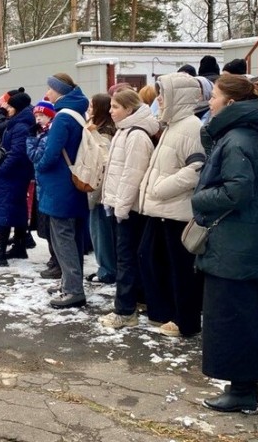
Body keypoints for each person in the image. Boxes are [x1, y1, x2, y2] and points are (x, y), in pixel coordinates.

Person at [191, 74, 258, 414]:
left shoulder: (238, 139)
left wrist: (200, 197)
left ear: (229, 103)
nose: (210, 102)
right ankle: (243, 385)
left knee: (232, 316)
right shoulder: (239, 136)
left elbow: (237, 190)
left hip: (235, 241)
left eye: (215, 97)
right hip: (238, 238)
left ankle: (243, 389)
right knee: (236, 313)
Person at [138, 73, 205, 337]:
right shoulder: (173, 125)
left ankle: (184, 320)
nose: (160, 100)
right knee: (153, 260)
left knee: (180, 270)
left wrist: (160, 188)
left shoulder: (191, 127)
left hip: (177, 210)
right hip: (161, 209)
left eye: (164, 94)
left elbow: (197, 167)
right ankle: (166, 311)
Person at [98, 88, 159, 329]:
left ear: (129, 110)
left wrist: (121, 208)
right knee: (127, 257)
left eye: (116, 107)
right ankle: (135, 300)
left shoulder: (136, 136)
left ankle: (125, 310)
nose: (111, 111)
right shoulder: (124, 132)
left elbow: (132, 176)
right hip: (119, 204)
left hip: (128, 208)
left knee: (126, 259)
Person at [34, 74, 91, 308]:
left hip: (59, 187)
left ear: (60, 91)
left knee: (62, 238)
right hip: (74, 183)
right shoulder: (79, 113)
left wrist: (39, 164)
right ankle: (70, 282)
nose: (47, 94)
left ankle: (72, 289)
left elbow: (51, 153)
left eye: (50, 89)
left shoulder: (62, 118)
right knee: (74, 237)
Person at [0, 91, 35, 266]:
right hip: (16, 174)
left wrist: (2, 169)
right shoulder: (18, 123)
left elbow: (18, 152)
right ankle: (19, 245)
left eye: (10, 106)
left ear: (17, 107)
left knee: (5, 210)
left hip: (12, 174)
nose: (7, 108)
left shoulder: (20, 126)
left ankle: (0, 251)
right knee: (16, 209)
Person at [26, 100, 60, 278]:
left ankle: (56, 260)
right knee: (45, 226)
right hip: (42, 185)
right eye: (37, 116)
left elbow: (35, 156)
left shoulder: (47, 136)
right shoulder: (42, 134)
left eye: (42, 116)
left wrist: (31, 139)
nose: (38, 119)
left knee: (51, 227)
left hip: (47, 185)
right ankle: (53, 258)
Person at [86, 94, 116, 285]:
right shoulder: (102, 130)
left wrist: (93, 194)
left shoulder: (102, 134)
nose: (89, 109)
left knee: (101, 234)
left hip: (100, 193)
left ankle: (106, 270)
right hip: (104, 192)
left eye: (92, 106)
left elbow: (102, 165)